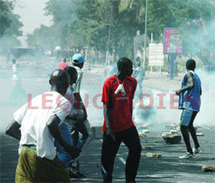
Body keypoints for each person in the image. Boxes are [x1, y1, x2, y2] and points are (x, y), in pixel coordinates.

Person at [5, 69, 80, 182]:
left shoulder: (34, 100)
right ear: (67, 85)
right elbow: (51, 124)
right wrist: (68, 147)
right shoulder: (63, 102)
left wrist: (29, 141)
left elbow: (10, 129)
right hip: (42, 155)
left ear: (50, 82)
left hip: (24, 154)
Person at [101, 57, 142, 183]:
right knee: (108, 159)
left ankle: (130, 179)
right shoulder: (109, 83)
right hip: (112, 128)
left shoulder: (133, 82)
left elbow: (129, 102)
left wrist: (130, 119)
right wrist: (109, 129)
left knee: (136, 149)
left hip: (128, 126)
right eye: (130, 67)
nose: (132, 70)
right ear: (122, 68)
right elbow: (106, 107)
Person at [176, 59, 202, 159]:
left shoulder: (189, 74)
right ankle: (197, 146)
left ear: (186, 66)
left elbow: (191, 85)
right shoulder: (197, 76)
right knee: (190, 125)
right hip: (196, 105)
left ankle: (189, 151)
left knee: (183, 126)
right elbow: (200, 91)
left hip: (189, 105)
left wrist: (180, 90)